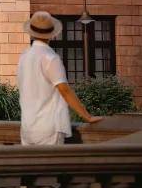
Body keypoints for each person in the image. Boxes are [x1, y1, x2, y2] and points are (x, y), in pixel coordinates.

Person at [17, 10, 103, 146]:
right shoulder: (50, 58)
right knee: (52, 160)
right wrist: (87, 116)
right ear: (52, 34)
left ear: (32, 33)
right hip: (49, 127)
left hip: (27, 127)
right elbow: (64, 90)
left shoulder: (24, 57)